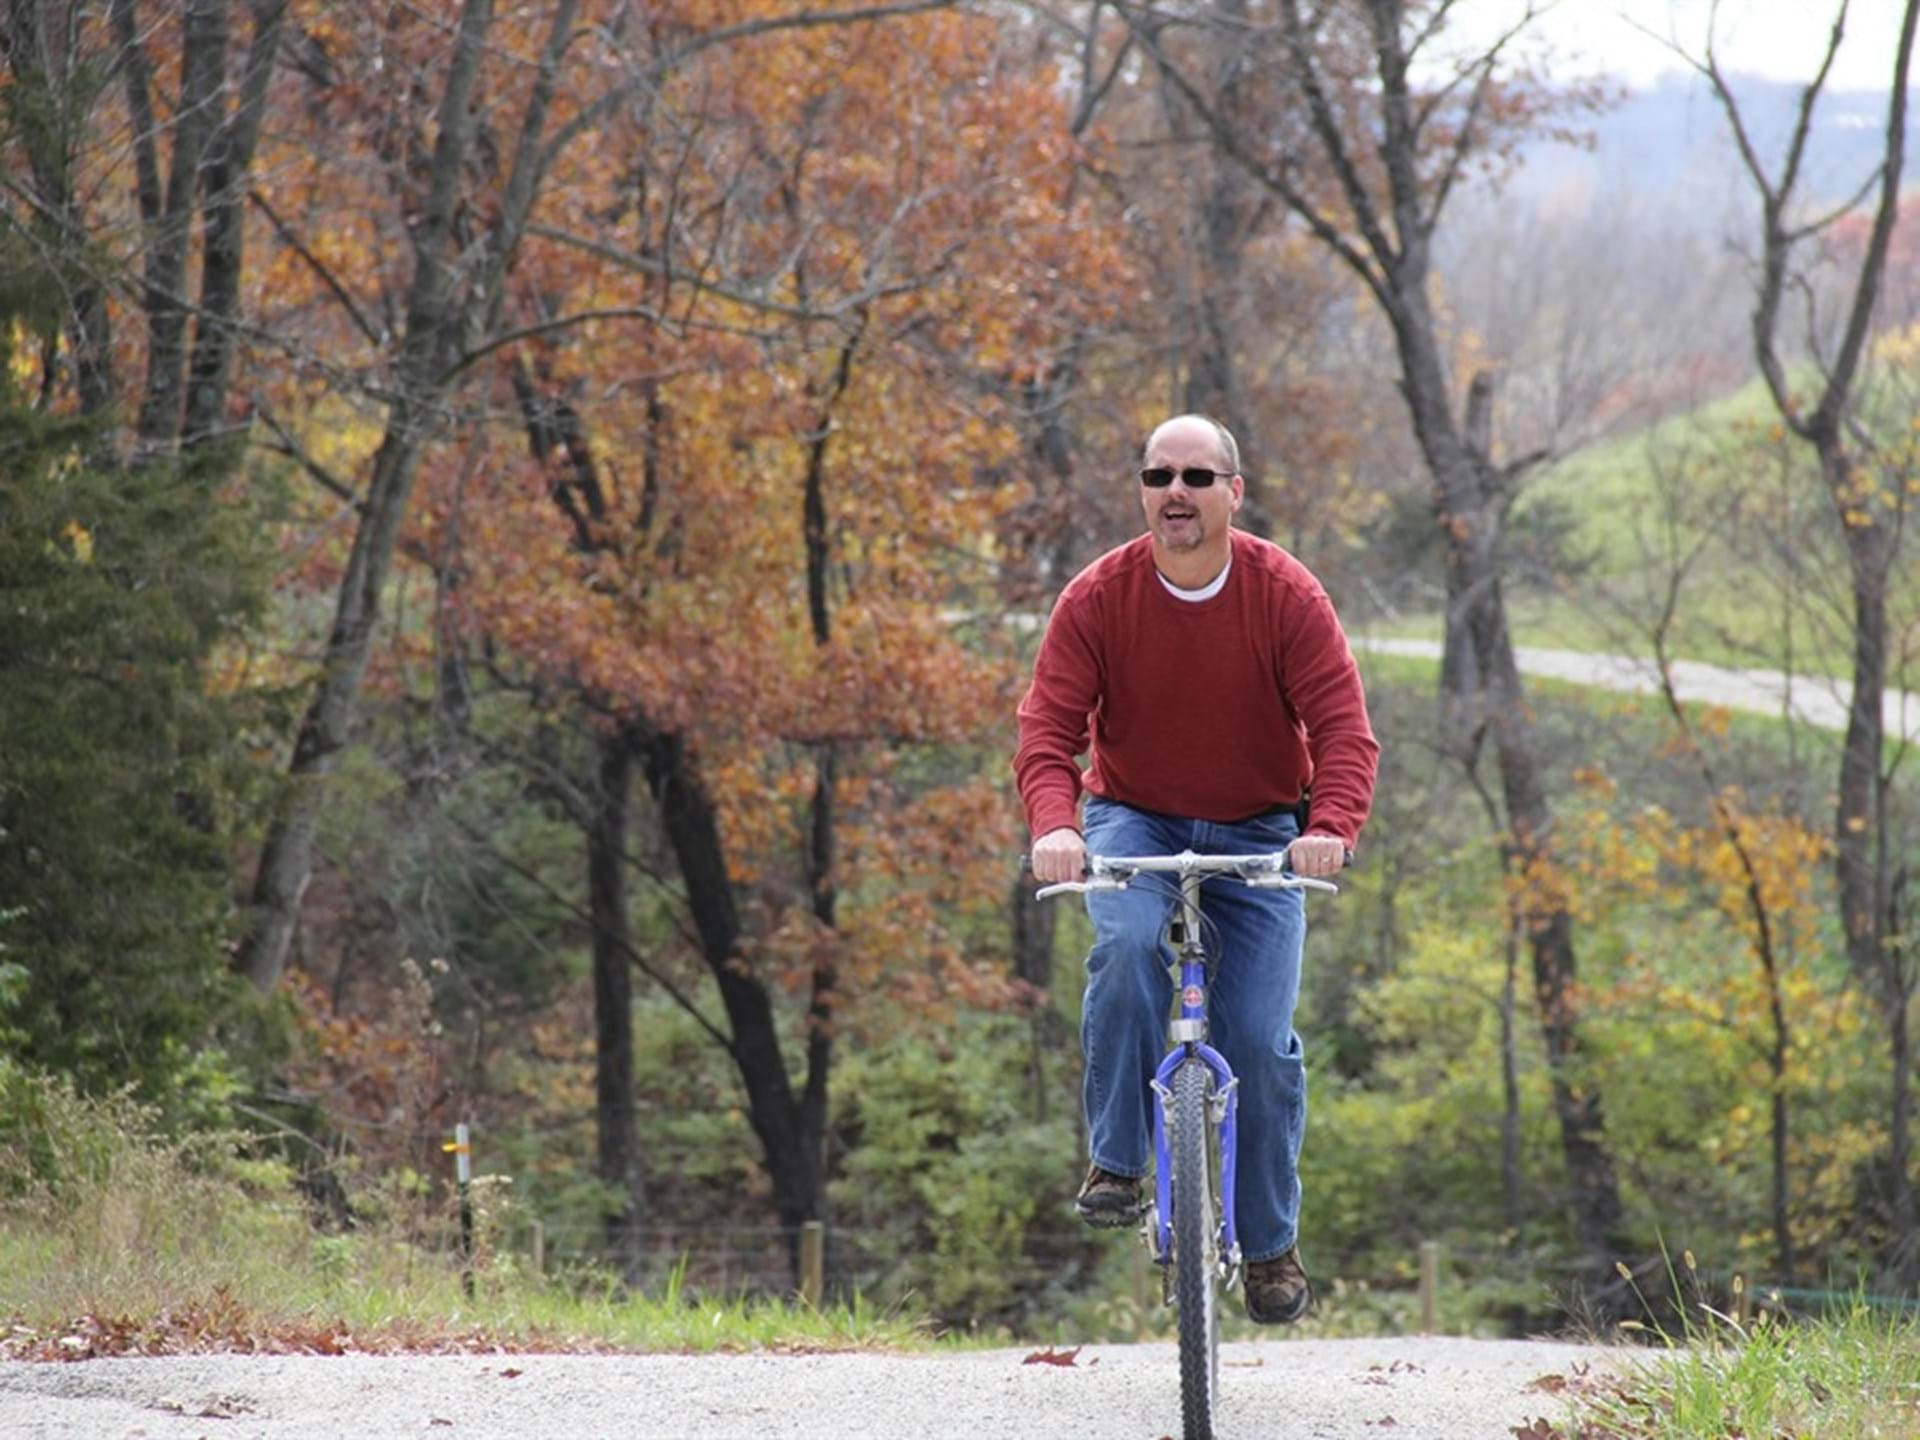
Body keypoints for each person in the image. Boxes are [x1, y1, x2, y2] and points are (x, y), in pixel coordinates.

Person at [1014, 414, 1379, 1325]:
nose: (1176, 492)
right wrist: (1057, 826)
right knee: (1129, 946)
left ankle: (1268, 1247)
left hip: (1261, 827)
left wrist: (1327, 826)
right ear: (1142, 490)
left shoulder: (1284, 593)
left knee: (1259, 1040)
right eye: (1158, 475)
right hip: (1134, 817)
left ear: (1233, 493)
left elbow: (1343, 730)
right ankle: (1120, 1162)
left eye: (1197, 478)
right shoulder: (1097, 599)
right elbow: (1047, 733)